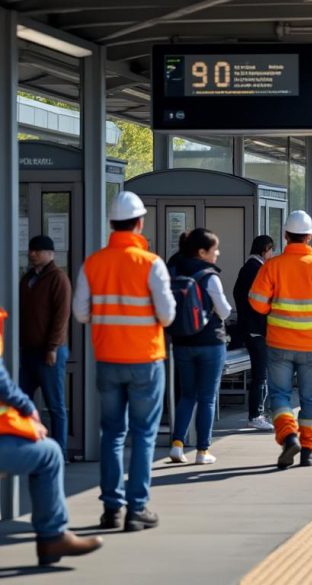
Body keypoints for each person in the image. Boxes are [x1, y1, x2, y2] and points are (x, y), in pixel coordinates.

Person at [72, 191, 175, 532]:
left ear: (111, 224)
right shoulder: (151, 263)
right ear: (139, 222)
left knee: (112, 434)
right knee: (144, 435)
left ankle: (111, 509)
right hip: (146, 359)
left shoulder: (93, 263)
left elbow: (81, 314)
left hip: (108, 359)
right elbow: (168, 314)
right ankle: (137, 508)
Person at [0, 308, 104, 565]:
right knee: (50, 454)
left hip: (45, 352)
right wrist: (28, 408)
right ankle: (52, 537)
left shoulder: (55, 280)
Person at [249, 211, 312, 469]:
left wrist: (273, 305)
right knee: (310, 397)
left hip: (279, 343)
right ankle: (308, 450)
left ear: (285, 236)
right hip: (311, 344)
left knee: (279, 395)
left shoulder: (272, 265)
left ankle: (288, 436)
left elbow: (256, 303)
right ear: (310, 237)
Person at [167, 229, 233, 466]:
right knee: (206, 398)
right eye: (214, 250)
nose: (217, 254)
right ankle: (203, 450)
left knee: (187, 395)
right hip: (209, 343)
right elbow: (224, 311)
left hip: (181, 343)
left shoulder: (174, 269)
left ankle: (177, 444)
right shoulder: (209, 276)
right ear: (202, 252)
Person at [19, 235, 72, 458]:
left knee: (56, 405)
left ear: (50, 254)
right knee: (23, 402)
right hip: (28, 351)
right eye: (31, 250)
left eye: (37, 251)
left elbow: (61, 316)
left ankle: (59, 451)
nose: (32, 254)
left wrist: (52, 347)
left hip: (50, 352)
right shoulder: (28, 278)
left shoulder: (58, 278)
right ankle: (27, 447)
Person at [233, 236, 275, 431]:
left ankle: (258, 412)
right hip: (257, 329)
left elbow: (237, 294)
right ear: (265, 249)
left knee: (261, 372)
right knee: (260, 374)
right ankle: (255, 414)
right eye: (271, 250)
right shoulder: (257, 269)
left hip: (249, 327)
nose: (272, 254)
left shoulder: (247, 268)